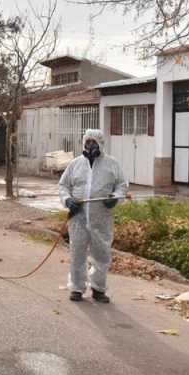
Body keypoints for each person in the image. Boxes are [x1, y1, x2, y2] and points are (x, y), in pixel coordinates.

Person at [59, 129, 128, 303]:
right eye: (88, 142)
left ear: (101, 144)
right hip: (78, 219)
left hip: (101, 219)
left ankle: (98, 289)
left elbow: (122, 185)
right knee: (77, 253)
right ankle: (76, 288)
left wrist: (115, 198)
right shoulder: (75, 164)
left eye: (94, 142)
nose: (90, 146)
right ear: (84, 143)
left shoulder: (112, 164)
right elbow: (63, 186)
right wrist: (68, 200)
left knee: (102, 255)